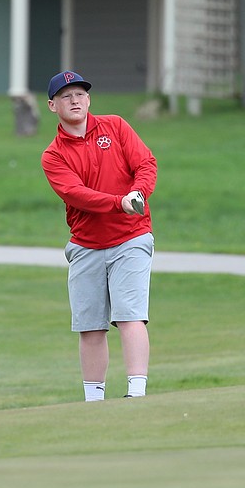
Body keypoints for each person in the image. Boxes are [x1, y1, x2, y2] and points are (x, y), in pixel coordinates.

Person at [41, 70, 158, 401]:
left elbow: (146, 164)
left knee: (130, 315)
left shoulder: (116, 126)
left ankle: (136, 392)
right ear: (53, 106)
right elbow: (77, 195)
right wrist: (120, 202)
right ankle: (94, 400)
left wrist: (138, 193)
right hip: (86, 244)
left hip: (131, 237)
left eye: (80, 94)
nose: (75, 100)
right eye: (66, 96)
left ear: (89, 100)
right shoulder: (53, 156)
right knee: (90, 325)